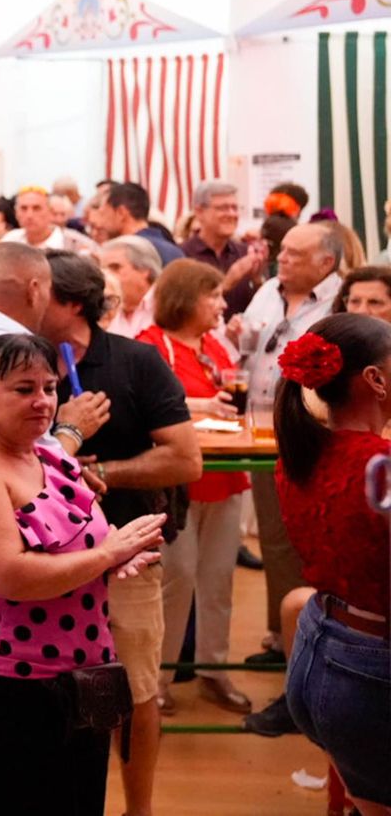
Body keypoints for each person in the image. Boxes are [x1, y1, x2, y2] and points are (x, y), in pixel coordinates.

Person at [0, 333, 166, 815]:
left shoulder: (50, 455)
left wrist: (120, 555)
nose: (42, 402)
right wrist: (107, 555)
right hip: (11, 687)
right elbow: (11, 576)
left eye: (49, 388)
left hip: (80, 675)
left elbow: (79, 544)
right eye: (23, 389)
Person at [41, 250, 200, 816]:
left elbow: (186, 460)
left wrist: (103, 471)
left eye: (37, 290)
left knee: (135, 691)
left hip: (128, 554)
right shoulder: (21, 363)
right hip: (41, 558)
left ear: (71, 304)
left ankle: (139, 810)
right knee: (46, 696)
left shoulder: (137, 363)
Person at [271, 315, 390, 815]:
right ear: (376, 380)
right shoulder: (378, 464)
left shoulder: (301, 453)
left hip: (320, 651)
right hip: (365, 671)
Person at [135, 260, 253, 715]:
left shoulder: (215, 347)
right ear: (187, 298)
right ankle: (157, 679)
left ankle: (214, 672)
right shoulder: (151, 347)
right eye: (214, 296)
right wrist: (202, 403)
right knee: (175, 581)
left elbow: (231, 397)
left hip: (224, 475)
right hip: (177, 485)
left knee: (219, 581)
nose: (222, 305)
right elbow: (144, 400)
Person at [233, 221, 343, 681]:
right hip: (261, 429)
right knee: (275, 539)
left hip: (317, 437)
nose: (284, 260)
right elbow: (246, 348)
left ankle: (315, 648)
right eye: (284, 252)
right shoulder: (268, 291)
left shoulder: (342, 302)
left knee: (313, 541)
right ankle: (282, 638)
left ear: (326, 263)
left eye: (296, 254)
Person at [179, 181, 266, 316]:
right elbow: (180, 308)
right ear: (199, 212)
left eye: (235, 208)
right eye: (223, 208)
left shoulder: (245, 252)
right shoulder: (181, 255)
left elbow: (264, 308)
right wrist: (227, 283)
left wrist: (257, 280)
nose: (232, 214)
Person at [92, 181, 184, 266]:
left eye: (103, 214)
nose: (99, 224)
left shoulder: (130, 253)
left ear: (121, 213)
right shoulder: (173, 250)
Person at [100, 236, 163, 339]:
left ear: (144, 270)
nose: (107, 276)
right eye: (103, 270)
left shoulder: (167, 305)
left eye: (115, 268)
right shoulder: (102, 309)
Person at [3, 186, 97, 253]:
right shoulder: (9, 241)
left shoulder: (76, 244)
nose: (29, 215)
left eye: (36, 208)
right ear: (16, 213)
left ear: (50, 212)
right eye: (23, 208)